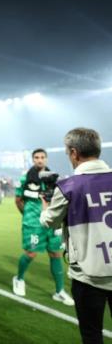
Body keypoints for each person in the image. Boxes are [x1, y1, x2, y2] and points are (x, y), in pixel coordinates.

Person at [40, 128, 112, 344]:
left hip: (88, 276)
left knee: (91, 336)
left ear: (74, 152)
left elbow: (48, 221)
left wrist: (45, 202)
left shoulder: (68, 186)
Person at [12, 148, 74, 306]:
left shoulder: (52, 177)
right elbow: (18, 200)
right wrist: (27, 215)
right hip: (33, 223)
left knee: (55, 254)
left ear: (46, 159)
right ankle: (18, 279)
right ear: (33, 160)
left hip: (51, 222)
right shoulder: (25, 177)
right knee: (31, 253)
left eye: (42, 157)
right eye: (36, 157)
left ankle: (59, 291)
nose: (40, 160)